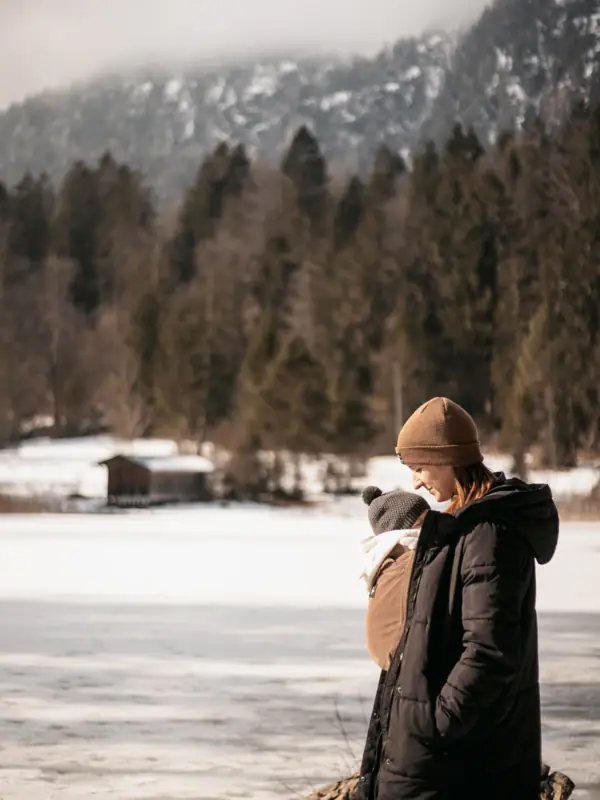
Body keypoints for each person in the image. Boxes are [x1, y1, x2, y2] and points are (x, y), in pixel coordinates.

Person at [359, 397, 559, 800]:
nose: (415, 482)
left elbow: (488, 650)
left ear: (447, 458)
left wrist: (436, 724)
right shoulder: (461, 527)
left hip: (462, 764)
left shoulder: (488, 535)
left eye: (419, 467)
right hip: (440, 758)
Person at [360, 486, 430, 671]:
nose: (431, 524)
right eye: (422, 520)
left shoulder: (382, 562)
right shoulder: (408, 561)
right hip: (410, 667)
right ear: (401, 528)